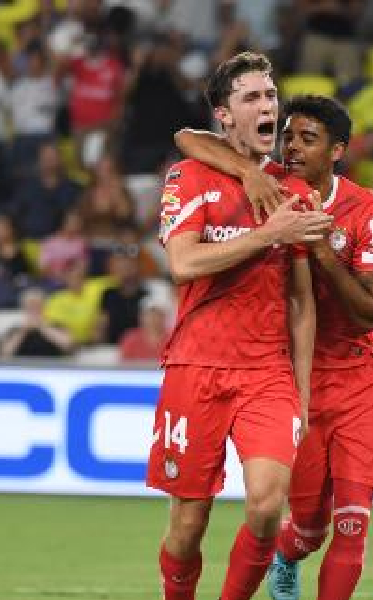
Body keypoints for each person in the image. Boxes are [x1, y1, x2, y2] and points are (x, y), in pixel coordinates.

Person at [146, 51, 334, 600]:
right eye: (252, 97)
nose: (267, 105)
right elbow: (183, 264)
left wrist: (300, 394)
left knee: (268, 506)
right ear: (224, 115)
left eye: (270, 96)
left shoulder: (294, 192)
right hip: (195, 367)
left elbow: (302, 304)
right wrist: (267, 235)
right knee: (187, 528)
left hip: (266, 372)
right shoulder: (190, 175)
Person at [175, 95, 373, 600]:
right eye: (288, 136)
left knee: (352, 524)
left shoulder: (364, 208)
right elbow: (187, 138)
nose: (292, 147)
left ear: (337, 151)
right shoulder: (276, 191)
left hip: (358, 381)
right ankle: (287, 554)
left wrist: (322, 251)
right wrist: (248, 171)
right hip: (291, 377)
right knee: (308, 526)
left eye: (308, 139)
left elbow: (367, 312)